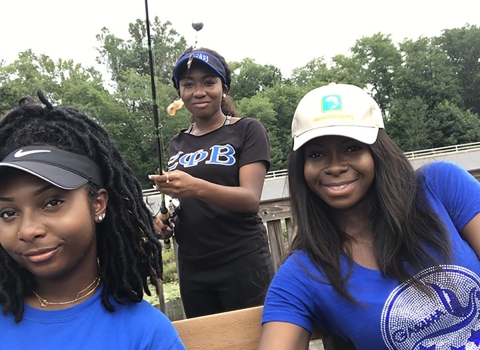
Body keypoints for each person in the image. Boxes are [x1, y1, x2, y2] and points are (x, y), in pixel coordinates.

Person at [258, 83, 480, 349]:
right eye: (317, 154)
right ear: (301, 167)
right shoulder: (303, 274)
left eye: (352, 148)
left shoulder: (441, 186)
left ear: (378, 152)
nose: (335, 167)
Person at [0, 91, 185, 349]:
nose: (28, 230)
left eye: (52, 202)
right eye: (8, 213)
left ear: (97, 204)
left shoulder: (147, 334)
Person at [149, 47, 274, 318]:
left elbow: (250, 199)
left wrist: (194, 186)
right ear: (180, 93)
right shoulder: (177, 143)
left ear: (223, 88)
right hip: (192, 266)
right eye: (188, 84)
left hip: (242, 258)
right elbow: (180, 200)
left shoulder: (247, 130)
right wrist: (164, 219)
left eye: (209, 82)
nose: (199, 91)